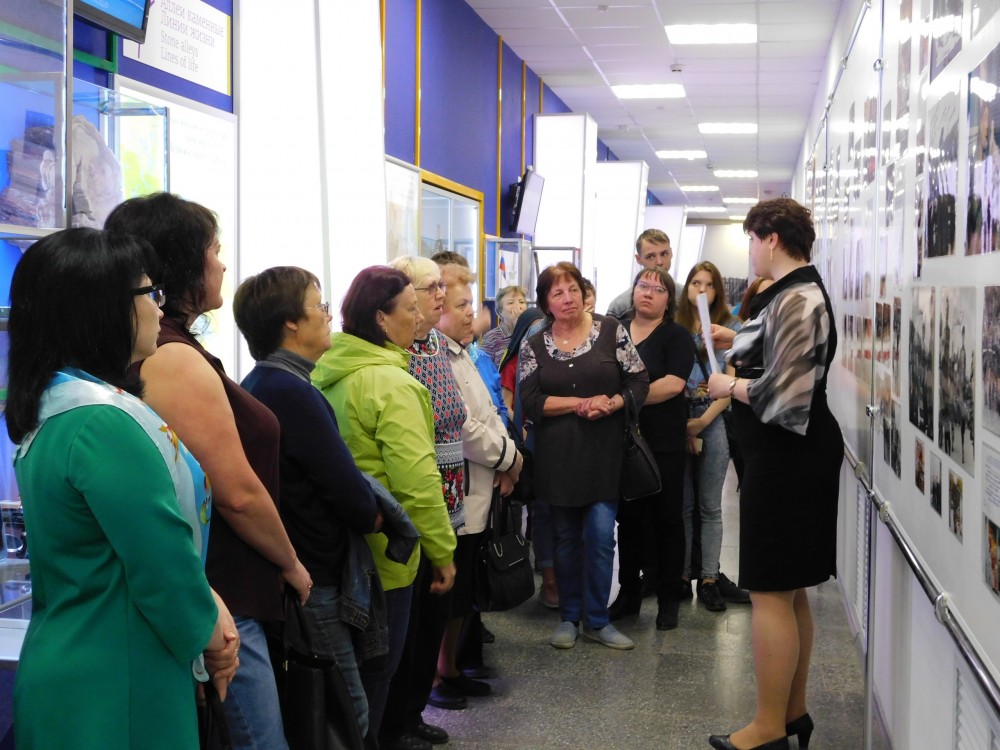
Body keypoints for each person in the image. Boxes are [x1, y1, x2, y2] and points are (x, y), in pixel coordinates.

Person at [8, 228, 238, 749]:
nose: (159, 308)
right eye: (150, 293)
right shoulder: (102, 421)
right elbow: (161, 566)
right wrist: (213, 637)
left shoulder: (64, 405)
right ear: (102, 307)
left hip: (86, 665)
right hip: (116, 680)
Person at [106, 193, 310, 750]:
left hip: (221, 586)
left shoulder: (172, 347)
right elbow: (236, 492)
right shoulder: (171, 356)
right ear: (182, 263)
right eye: (214, 251)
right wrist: (291, 563)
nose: (222, 264)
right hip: (223, 592)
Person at [706, 197, 842, 750]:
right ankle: (791, 714)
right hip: (787, 457)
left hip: (789, 459)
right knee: (788, 590)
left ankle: (768, 727)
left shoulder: (799, 297)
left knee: (769, 591)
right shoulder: (789, 293)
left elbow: (784, 397)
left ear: (771, 238)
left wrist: (728, 386)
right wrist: (733, 339)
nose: (751, 252)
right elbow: (775, 354)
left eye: (751, 240)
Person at [233, 267, 383, 739]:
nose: (328, 315)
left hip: (300, 569)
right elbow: (346, 491)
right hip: (312, 576)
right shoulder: (291, 392)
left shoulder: (262, 383)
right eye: (319, 306)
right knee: (346, 712)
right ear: (290, 323)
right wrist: (376, 512)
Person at [313, 266, 457, 748]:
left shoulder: (327, 372)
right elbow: (418, 483)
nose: (419, 317)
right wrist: (442, 552)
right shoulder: (392, 385)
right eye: (410, 308)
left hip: (341, 550)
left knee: (351, 680)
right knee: (378, 677)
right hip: (388, 556)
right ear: (380, 317)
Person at [519, 262, 649, 651]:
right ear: (546, 302)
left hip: (604, 455)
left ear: (583, 292)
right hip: (557, 458)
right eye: (557, 292)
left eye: (573, 289)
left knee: (600, 536)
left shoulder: (611, 331)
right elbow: (531, 400)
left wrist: (613, 403)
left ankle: (597, 619)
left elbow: (638, 380)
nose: (567, 298)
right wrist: (578, 403)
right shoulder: (534, 344)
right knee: (565, 539)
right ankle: (569, 617)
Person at [380, 255, 465, 748]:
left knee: (434, 616)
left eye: (440, 287)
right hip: (418, 503)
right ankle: (397, 722)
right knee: (408, 626)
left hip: (450, 500)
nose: (440, 295)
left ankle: (413, 713)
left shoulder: (436, 343)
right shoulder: (398, 353)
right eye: (429, 288)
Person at [432, 263, 522, 707]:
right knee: (449, 594)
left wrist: (507, 455)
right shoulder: (435, 358)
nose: (472, 312)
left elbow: (491, 412)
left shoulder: (464, 352)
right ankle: (436, 676)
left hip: (483, 484)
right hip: (461, 490)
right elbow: (463, 427)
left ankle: (450, 667)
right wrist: (508, 457)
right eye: (461, 305)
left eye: (472, 303)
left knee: (465, 591)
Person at [607, 268, 695, 631]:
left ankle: (669, 597)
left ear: (668, 300)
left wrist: (623, 399)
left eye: (658, 290)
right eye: (643, 285)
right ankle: (628, 593)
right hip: (622, 439)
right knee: (628, 519)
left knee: (667, 518)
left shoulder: (677, 336)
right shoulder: (614, 331)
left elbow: (673, 384)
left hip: (664, 441)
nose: (648, 293)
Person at [676, 261, 747, 612]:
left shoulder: (731, 328)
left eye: (708, 284)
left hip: (713, 416)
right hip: (679, 416)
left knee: (710, 505)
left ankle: (708, 578)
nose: (701, 290)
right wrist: (685, 423)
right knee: (684, 505)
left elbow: (732, 384)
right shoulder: (674, 326)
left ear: (718, 289)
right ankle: (681, 576)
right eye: (695, 283)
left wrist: (702, 421)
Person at [605, 228, 673, 319]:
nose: (659, 262)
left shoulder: (684, 298)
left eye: (664, 254)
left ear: (671, 253)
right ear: (638, 259)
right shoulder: (620, 307)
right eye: (651, 256)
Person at [480, 284, 527, 366]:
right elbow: (484, 369)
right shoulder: (491, 338)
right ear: (500, 312)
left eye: (521, 302)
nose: (518, 306)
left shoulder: (532, 332)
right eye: (511, 303)